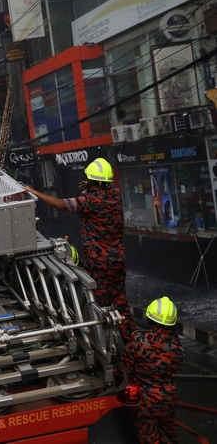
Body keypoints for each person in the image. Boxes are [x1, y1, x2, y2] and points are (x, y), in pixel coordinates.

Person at [24, 158, 136, 342]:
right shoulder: (114, 196)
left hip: (100, 265)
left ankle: (104, 346)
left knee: (98, 307)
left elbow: (60, 204)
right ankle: (132, 344)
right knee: (121, 304)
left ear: (93, 182)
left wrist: (34, 191)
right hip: (118, 261)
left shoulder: (90, 201)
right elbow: (100, 191)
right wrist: (92, 184)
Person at [122, 296, 184, 444]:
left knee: (148, 436)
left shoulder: (139, 341)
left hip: (143, 403)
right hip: (168, 401)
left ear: (150, 318)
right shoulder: (177, 346)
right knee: (168, 434)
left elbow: (125, 371)